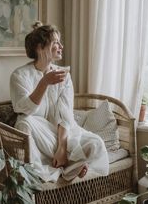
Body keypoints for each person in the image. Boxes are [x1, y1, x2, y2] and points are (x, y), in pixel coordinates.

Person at [10, 22, 109, 182]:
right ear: (40, 47)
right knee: (24, 124)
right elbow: (23, 109)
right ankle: (65, 167)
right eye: (56, 42)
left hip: (61, 135)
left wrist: (62, 148)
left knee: (96, 144)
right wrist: (44, 83)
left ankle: (66, 162)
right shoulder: (20, 76)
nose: (61, 46)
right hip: (40, 135)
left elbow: (65, 115)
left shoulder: (64, 75)